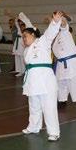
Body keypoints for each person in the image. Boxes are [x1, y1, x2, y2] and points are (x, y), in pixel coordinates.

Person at [21, 11, 63, 142]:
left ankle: (54, 132)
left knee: (49, 107)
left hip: (45, 81)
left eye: (25, 36)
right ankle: (34, 127)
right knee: (33, 106)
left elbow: (51, 33)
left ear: (33, 35)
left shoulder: (43, 42)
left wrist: (55, 22)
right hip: (33, 81)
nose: (24, 39)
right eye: (22, 37)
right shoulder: (27, 49)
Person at [53, 14, 76, 116]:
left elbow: (63, 24)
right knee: (60, 82)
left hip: (71, 62)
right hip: (61, 63)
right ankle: (62, 100)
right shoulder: (57, 36)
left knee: (74, 82)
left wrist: (60, 19)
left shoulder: (65, 32)